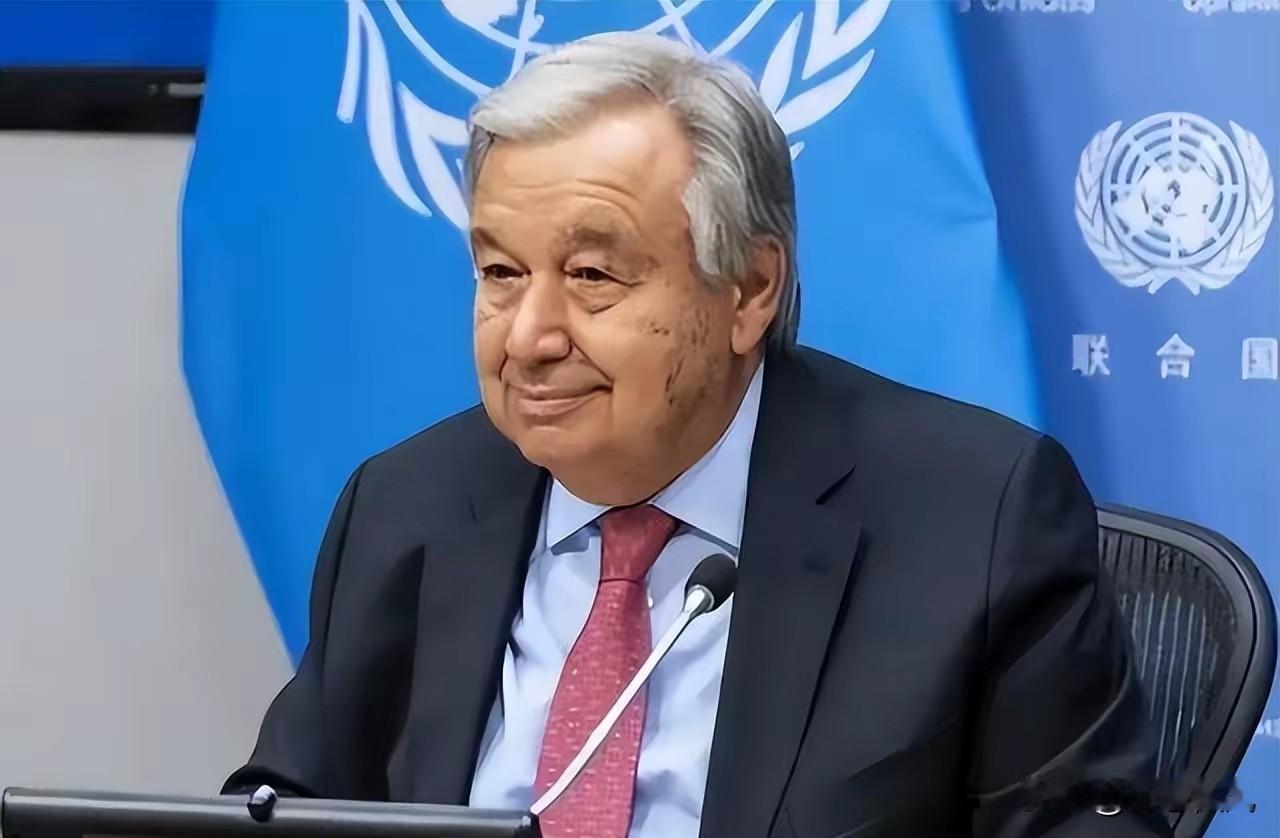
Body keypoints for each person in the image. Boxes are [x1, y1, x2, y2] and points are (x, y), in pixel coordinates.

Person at [226, 32, 1171, 838]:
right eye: (501, 274)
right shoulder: (407, 506)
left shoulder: (973, 517)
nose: (528, 338)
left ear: (749, 289)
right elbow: (289, 802)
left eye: (592, 276)